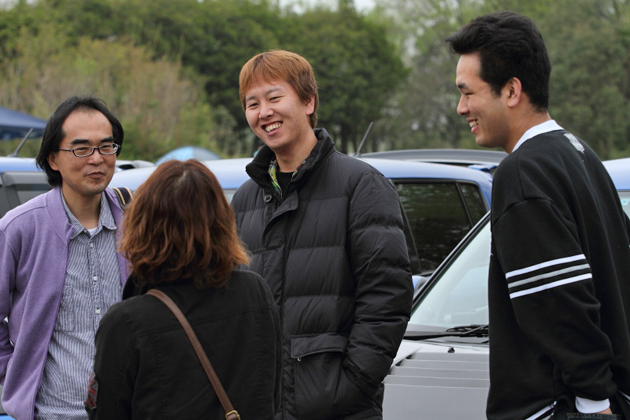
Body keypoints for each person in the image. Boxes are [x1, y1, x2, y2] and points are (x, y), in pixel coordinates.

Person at [447, 11, 630, 420]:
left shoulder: (522, 172)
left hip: (563, 407)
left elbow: (560, 303)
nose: (461, 108)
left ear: (512, 90)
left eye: (468, 92)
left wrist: (594, 400)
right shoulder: (581, 154)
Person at [231, 49, 413, 420]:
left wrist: (350, 386)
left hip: (338, 407)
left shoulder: (361, 185)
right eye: (253, 103)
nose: (264, 112)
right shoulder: (246, 198)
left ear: (309, 101)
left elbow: (386, 298)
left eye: (274, 98)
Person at [85, 159, 280, 419]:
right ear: (222, 221)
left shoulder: (127, 322)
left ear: (142, 225)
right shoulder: (255, 292)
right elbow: (272, 393)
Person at [0, 95, 129, 420]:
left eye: (106, 146)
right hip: (51, 413)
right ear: (53, 159)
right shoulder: (20, 228)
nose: (97, 159)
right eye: (81, 149)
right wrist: (16, 376)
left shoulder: (137, 224)